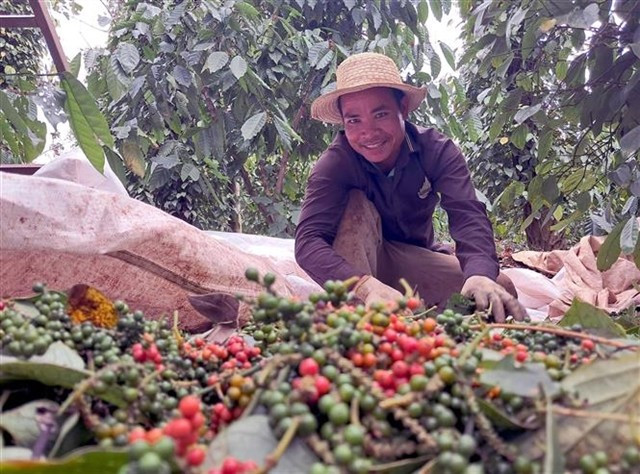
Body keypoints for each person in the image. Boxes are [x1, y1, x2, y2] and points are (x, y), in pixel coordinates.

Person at [294, 52, 526, 322]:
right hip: (356, 265)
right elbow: (308, 241)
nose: (368, 132)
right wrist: (362, 286)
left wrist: (479, 274)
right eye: (354, 120)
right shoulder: (335, 164)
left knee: (498, 290)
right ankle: (360, 320)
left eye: (380, 114)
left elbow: (467, 214)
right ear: (344, 123)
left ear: (402, 108)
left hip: (411, 257)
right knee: (354, 205)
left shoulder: (436, 150)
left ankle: (430, 320)